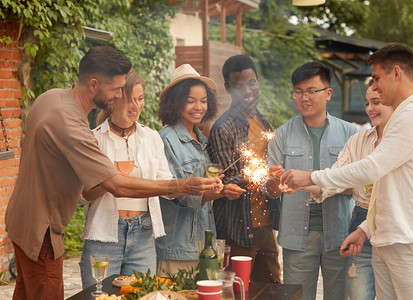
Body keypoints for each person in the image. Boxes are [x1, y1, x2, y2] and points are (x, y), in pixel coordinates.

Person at [4, 46, 220, 300]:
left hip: (23, 220)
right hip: (42, 232)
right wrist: (182, 185)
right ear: (94, 85)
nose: (119, 96)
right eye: (117, 89)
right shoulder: (75, 126)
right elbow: (117, 186)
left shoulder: (50, 97)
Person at [280, 43, 413, 300]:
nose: (376, 87)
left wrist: (311, 176)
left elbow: (372, 168)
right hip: (392, 237)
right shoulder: (412, 112)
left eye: (377, 79)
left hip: (412, 242)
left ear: (396, 73)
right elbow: (391, 187)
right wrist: (365, 230)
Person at [265, 62, 357, 299]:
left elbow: (360, 185)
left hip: (340, 233)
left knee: (338, 295)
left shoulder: (350, 134)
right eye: (298, 91)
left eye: (311, 91)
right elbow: (270, 189)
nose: (304, 98)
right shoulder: (282, 134)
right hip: (297, 235)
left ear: (328, 93)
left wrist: (312, 183)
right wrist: (275, 182)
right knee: (298, 295)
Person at [78, 70, 174, 288]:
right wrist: (111, 179)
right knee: (99, 294)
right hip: (104, 235)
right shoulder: (94, 139)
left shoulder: (151, 137)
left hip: (143, 233)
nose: (136, 106)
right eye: (130, 100)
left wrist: (193, 186)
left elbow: (166, 186)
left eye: (140, 99)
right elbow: (82, 196)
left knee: (141, 294)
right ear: (112, 102)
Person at [305, 80, 394, 300]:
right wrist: (298, 182)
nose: (370, 109)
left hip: (394, 226)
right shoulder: (358, 140)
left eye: (377, 102)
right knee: (357, 294)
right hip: (360, 224)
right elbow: (335, 178)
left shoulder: (405, 142)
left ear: (394, 103)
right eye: (367, 103)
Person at [155, 64, 245, 275]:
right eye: (190, 101)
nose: (199, 107)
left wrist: (223, 190)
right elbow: (173, 192)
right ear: (175, 103)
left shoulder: (203, 140)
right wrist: (209, 193)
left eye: (203, 101)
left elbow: (205, 189)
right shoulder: (166, 140)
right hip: (176, 247)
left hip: (204, 245)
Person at [207, 55, 281, 283]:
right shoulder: (223, 128)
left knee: (271, 290)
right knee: (236, 291)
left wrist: (276, 177)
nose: (247, 90)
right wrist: (254, 176)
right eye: (239, 86)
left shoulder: (264, 121)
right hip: (236, 229)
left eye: (251, 82)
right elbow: (226, 182)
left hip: (265, 224)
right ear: (228, 88)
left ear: (257, 81)